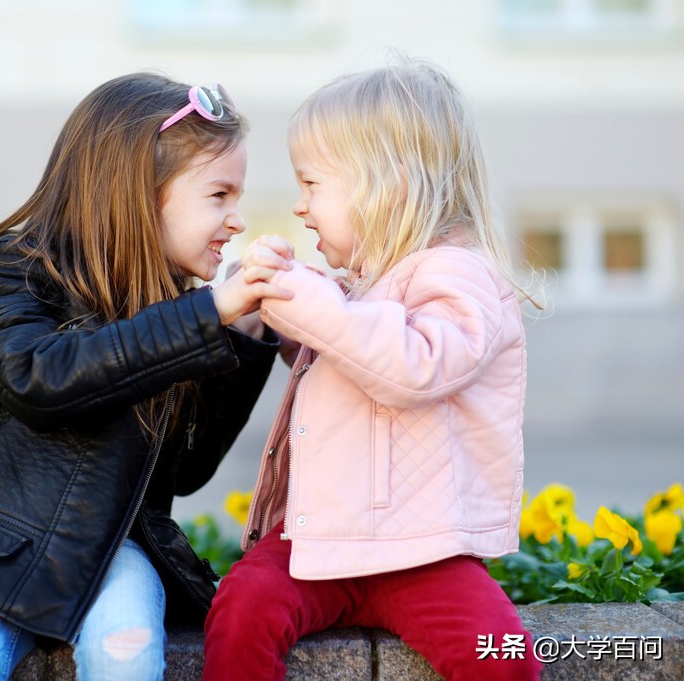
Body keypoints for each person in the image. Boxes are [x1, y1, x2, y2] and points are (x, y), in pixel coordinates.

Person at [0, 73, 293, 681]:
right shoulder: (11, 270)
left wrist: (241, 342)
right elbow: (42, 379)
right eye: (218, 195)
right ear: (140, 190)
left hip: (120, 546)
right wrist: (206, 314)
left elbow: (186, 470)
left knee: (129, 648)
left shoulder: (175, 302)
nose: (237, 220)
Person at [202, 57, 545, 681]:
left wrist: (306, 301)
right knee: (242, 607)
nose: (301, 209)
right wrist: (277, 321)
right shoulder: (362, 283)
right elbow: (347, 364)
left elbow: (413, 368)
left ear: (390, 184)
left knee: (503, 656)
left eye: (312, 185)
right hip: (320, 542)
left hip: (425, 553)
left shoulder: (460, 273)